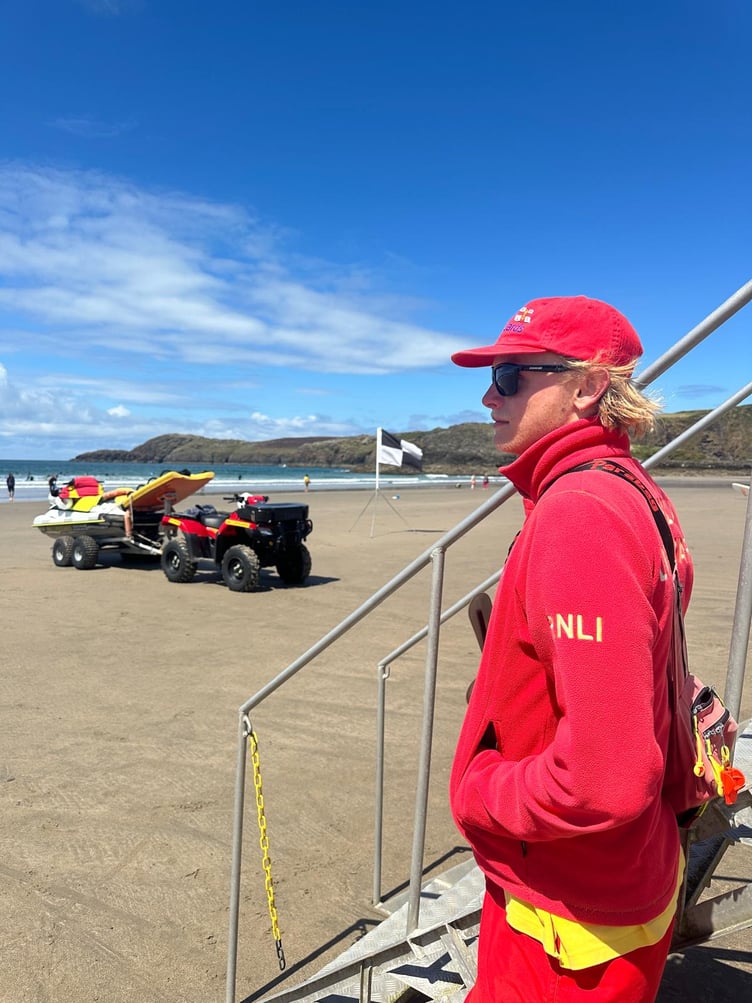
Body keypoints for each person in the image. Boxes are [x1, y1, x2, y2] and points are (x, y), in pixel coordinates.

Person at [448, 296, 693, 1003]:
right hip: (607, 884)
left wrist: (481, 793)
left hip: (571, 914)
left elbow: (604, 777)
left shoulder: (578, 514)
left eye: (512, 374)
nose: (489, 394)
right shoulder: (630, 488)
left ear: (586, 387)